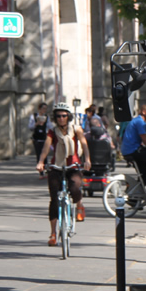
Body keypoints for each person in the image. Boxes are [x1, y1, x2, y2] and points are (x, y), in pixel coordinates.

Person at [36, 102, 91, 247]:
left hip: (73, 165)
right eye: (58, 116)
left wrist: (87, 160)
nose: (61, 118)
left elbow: (84, 144)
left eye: (64, 116)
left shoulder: (76, 129)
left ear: (69, 117)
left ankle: (79, 204)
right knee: (54, 198)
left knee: (74, 188)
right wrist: (41, 162)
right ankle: (53, 233)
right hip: (57, 165)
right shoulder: (52, 132)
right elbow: (46, 148)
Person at [120, 102, 146, 190]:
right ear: (143, 112)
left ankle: (134, 195)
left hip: (129, 151)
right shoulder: (139, 122)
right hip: (133, 151)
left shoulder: (140, 122)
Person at [29, 102, 52, 177]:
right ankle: (41, 171)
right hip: (37, 138)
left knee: (45, 154)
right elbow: (30, 127)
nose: (44, 110)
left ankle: (45, 169)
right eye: (43, 108)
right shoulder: (34, 116)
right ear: (39, 109)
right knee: (39, 154)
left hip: (44, 138)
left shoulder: (47, 117)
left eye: (46, 108)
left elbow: (50, 126)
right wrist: (37, 123)